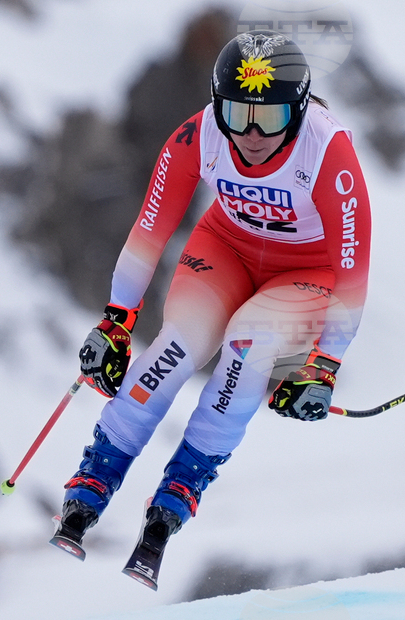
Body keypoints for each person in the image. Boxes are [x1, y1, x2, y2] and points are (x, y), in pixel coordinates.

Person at [50, 30, 371, 587]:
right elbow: (148, 234)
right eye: (235, 112)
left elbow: (353, 273)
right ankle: (92, 481)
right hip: (224, 250)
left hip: (306, 273)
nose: (249, 134)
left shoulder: (328, 153)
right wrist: (116, 321)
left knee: (248, 344)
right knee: (177, 346)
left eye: (268, 119)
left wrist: (324, 365)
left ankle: (180, 489)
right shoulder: (199, 136)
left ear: (296, 113)